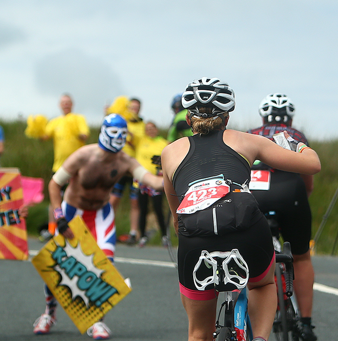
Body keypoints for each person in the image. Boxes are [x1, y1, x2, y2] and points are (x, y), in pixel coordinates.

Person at [160, 78, 320, 341]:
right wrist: (294, 142)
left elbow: (176, 210)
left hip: (194, 233)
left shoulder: (170, 152)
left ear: (188, 119)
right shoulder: (248, 141)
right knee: (263, 282)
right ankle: (260, 338)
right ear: (227, 116)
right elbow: (312, 164)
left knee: (198, 333)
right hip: (245, 226)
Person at [33, 113, 164, 339]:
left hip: (101, 215)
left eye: (123, 134)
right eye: (115, 133)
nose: (119, 138)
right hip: (72, 213)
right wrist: (59, 217)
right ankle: (49, 313)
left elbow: (154, 183)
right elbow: (54, 184)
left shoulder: (125, 160)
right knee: (57, 266)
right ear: (104, 132)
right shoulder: (83, 155)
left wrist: (170, 172)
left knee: (104, 266)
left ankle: (97, 321)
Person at [246, 93, 319, 340]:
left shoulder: (250, 133)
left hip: (254, 190)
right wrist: (302, 198)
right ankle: (306, 324)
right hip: (289, 190)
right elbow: (307, 176)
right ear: (289, 117)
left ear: (262, 116)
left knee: (245, 256)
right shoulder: (295, 136)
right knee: (300, 257)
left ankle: (244, 320)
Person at [38, 93, 90, 240]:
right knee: (55, 199)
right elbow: (44, 136)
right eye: (63, 102)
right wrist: (36, 128)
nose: (66, 105)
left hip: (78, 167)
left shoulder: (78, 119)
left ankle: (76, 228)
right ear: (60, 105)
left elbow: (84, 135)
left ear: (72, 104)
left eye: (68, 102)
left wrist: (77, 133)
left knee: (77, 198)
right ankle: (52, 228)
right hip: (59, 166)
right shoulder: (55, 122)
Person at [107, 96, 145, 245]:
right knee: (113, 199)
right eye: (132, 107)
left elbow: (142, 147)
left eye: (137, 107)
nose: (134, 110)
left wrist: (132, 139)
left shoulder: (142, 125)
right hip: (119, 165)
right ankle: (108, 229)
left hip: (134, 168)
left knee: (135, 202)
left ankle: (134, 233)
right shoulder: (122, 122)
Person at [133, 121, 170, 247]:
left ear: (156, 129)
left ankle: (164, 236)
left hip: (156, 180)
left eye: (152, 128)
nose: (150, 131)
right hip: (142, 181)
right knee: (142, 209)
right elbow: (129, 133)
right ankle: (142, 236)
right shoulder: (141, 140)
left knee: (158, 208)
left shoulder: (163, 142)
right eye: (147, 129)